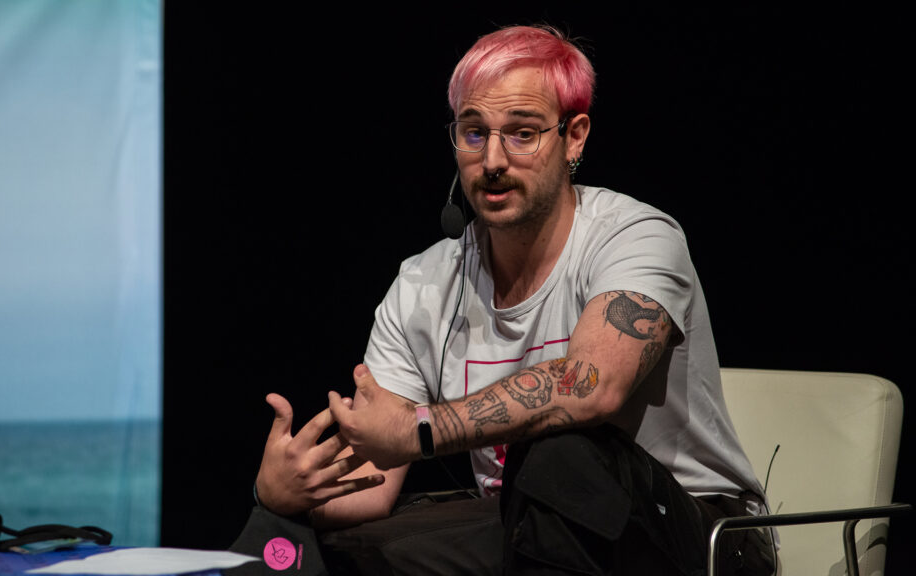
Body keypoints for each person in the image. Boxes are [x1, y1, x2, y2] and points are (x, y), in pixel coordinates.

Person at [244, 24, 776, 576]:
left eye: (522, 133)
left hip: (708, 537)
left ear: (574, 137)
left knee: (562, 451)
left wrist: (420, 427)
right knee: (327, 548)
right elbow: (373, 485)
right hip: (528, 528)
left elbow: (593, 387)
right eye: (474, 133)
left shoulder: (636, 236)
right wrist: (284, 492)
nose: (492, 159)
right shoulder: (423, 282)